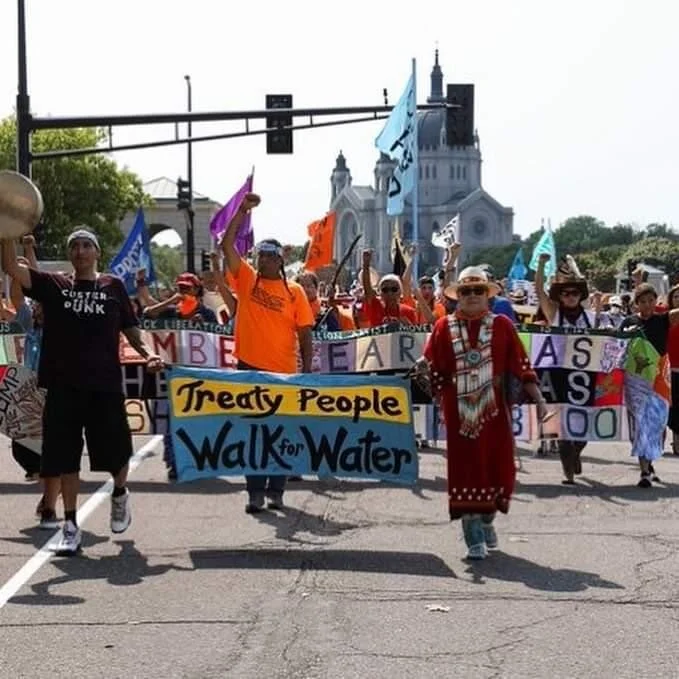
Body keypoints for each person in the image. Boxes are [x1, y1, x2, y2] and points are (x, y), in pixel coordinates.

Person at [1, 228, 163, 555]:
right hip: (62, 387)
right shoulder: (55, 285)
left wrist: (148, 354)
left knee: (117, 453)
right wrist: (9, 227)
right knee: (64, 457)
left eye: (87, 244)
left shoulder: (113, 286)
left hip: (103, 386)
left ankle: (120, 493)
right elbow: (11, 267)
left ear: (97, 252)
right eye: (74, 245)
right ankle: (71, 525)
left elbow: (132, 331)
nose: (80, 250)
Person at [418, 266, 546, 560]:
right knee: (465, 469)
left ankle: (487, 519)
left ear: (488, 295)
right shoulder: (442, 327)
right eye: (466, 291)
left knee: (500, 470)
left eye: (478, 291)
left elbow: (521, 365)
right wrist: (424, 367)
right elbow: (430, 364)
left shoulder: (502, 325)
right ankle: (472, 534)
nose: (472, 296)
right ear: (457, 296)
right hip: (458, 410)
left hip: (494, 409)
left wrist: (538, 399)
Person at [220, 194, 314, 513]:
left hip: (284, 373)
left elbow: (305, 332)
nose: (263, 259)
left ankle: (277, 489)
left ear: (280, 262)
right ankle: (254, 493)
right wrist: (242, 211)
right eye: (260, 254)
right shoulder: (246, 280)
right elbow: (226, 245)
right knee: (252, 432)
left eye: (270, 255)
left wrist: (308, 368)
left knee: (281, 433)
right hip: (248, 368)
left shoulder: (295, 291)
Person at [619, 283, 679, 487]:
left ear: (656, 301)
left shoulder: (663, 320)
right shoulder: (628, 322)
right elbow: (617, 347)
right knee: (640, 424)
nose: (647, 305)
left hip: (658, 378)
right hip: (635, 380)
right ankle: (644, 471)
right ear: (636, 304)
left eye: (651, 300)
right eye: (642, 301)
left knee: (656, 424)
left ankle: (649, 463)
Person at [361, 250, 417, 327]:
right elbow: (367, 290)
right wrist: (366, 265)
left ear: (400, 292)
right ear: (380, 293)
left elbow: (415, 336)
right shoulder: (376, 307)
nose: (390, 293)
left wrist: (408, 326)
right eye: (385, 290)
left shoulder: (409, 312)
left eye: (394, 289)